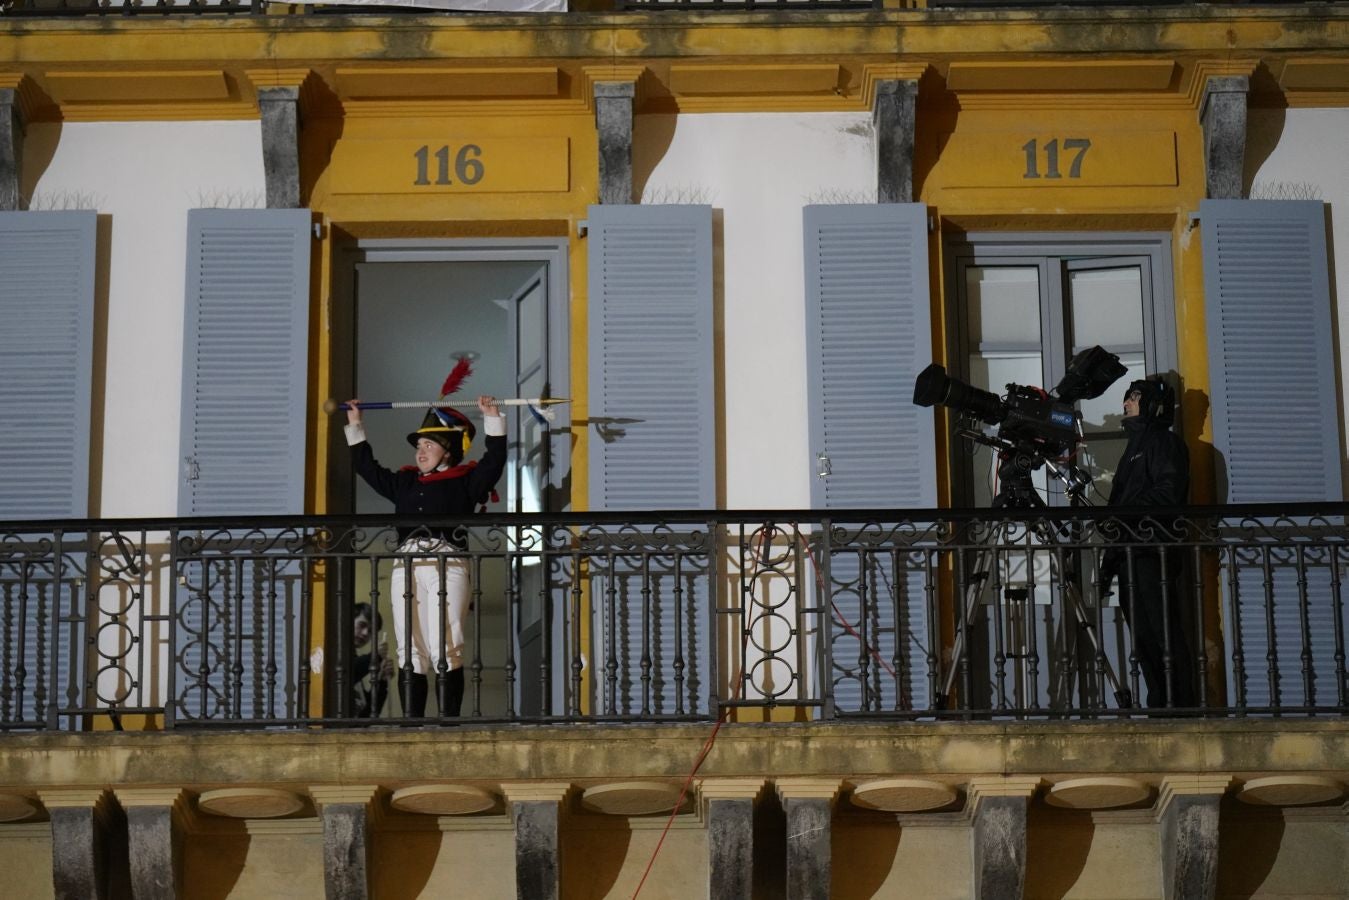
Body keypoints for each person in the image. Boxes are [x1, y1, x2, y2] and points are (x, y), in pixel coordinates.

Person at [344, 394, 507, 718]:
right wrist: (355, 424)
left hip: (447, 563)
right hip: (406, 565)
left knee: (445, 646)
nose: (420, 451)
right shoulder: (404, 481)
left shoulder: (465, 480)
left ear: (448, 451)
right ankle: (412, 727)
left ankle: (447, 725)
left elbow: (494, 463)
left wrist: (492, 419)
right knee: (409, 649)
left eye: (429, 445)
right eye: (418, 445)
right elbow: (368, 469)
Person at [1099, 376, 1195, 708]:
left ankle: (1181, 704)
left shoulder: (1164, 443)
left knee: (1163, 632)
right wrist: (1108, 565)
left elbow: (1168, 493)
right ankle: (1160, 703)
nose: (1125, 403)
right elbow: (1118, 511)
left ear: (1152, 405)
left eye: (1133, 397)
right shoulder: (1133, 449)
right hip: (1129, 555)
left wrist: (1125, 513)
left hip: (1154, 552)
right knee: (1142, 637)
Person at [351, 602, 391, 718]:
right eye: (362, 625)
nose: (365, 633)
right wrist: (374, 657)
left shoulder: (354, 659)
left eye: (370, 631)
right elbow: (346, 675)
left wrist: (382, 680)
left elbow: (369, 714)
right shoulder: (335, 652)